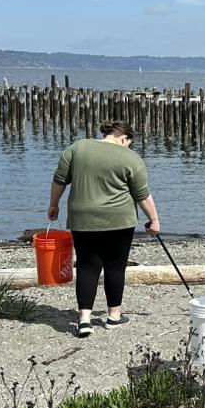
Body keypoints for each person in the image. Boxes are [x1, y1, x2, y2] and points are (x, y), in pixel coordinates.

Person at [48, 121, 160, 337]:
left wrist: (53, 205)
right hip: (119, 220)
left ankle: (84, 320)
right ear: (123, 138)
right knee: (115, 267)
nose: (128, 147)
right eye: (129, 143)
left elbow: (59, 179)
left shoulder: (77, 148)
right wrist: (153, 219)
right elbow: (142, 194)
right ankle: (114, 316)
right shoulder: (130, 158)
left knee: (87, 267)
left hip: (82, 219)